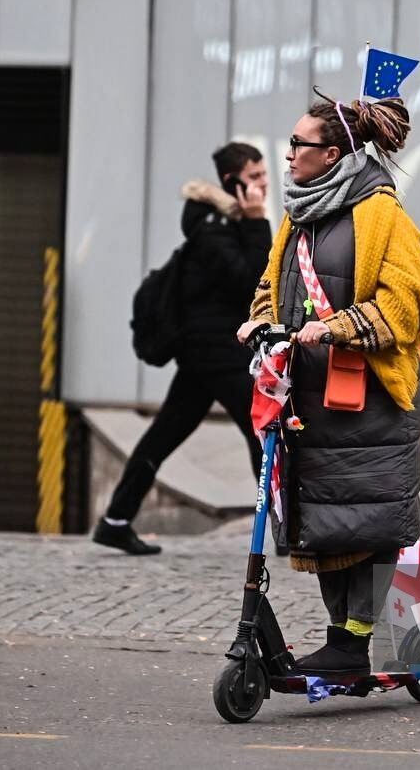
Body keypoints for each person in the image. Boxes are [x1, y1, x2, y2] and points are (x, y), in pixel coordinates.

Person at [237, 89, 420, 675]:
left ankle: (353, 645)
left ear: (331, 155)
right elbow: (273, 284)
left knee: (369, 523)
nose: (289, 154)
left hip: (368, 403)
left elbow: (409, 302)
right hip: (311, 403)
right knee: (327, 526)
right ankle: (342, 640)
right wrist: (259, 319)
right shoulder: (300, 213)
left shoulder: (383, 216)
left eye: (299, 144)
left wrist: (339, 328)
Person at [94, 142, 273, 555]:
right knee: (262, 428)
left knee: (166, 434)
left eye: (263, 176)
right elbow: (250, 279)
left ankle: (115, 520)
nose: (264, 184)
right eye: (256, 177)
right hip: (213, 349)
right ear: (233, 183)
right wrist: (256, 220)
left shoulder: (222, 224)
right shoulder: (213, 228)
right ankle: (282, 529)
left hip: (207, 351)